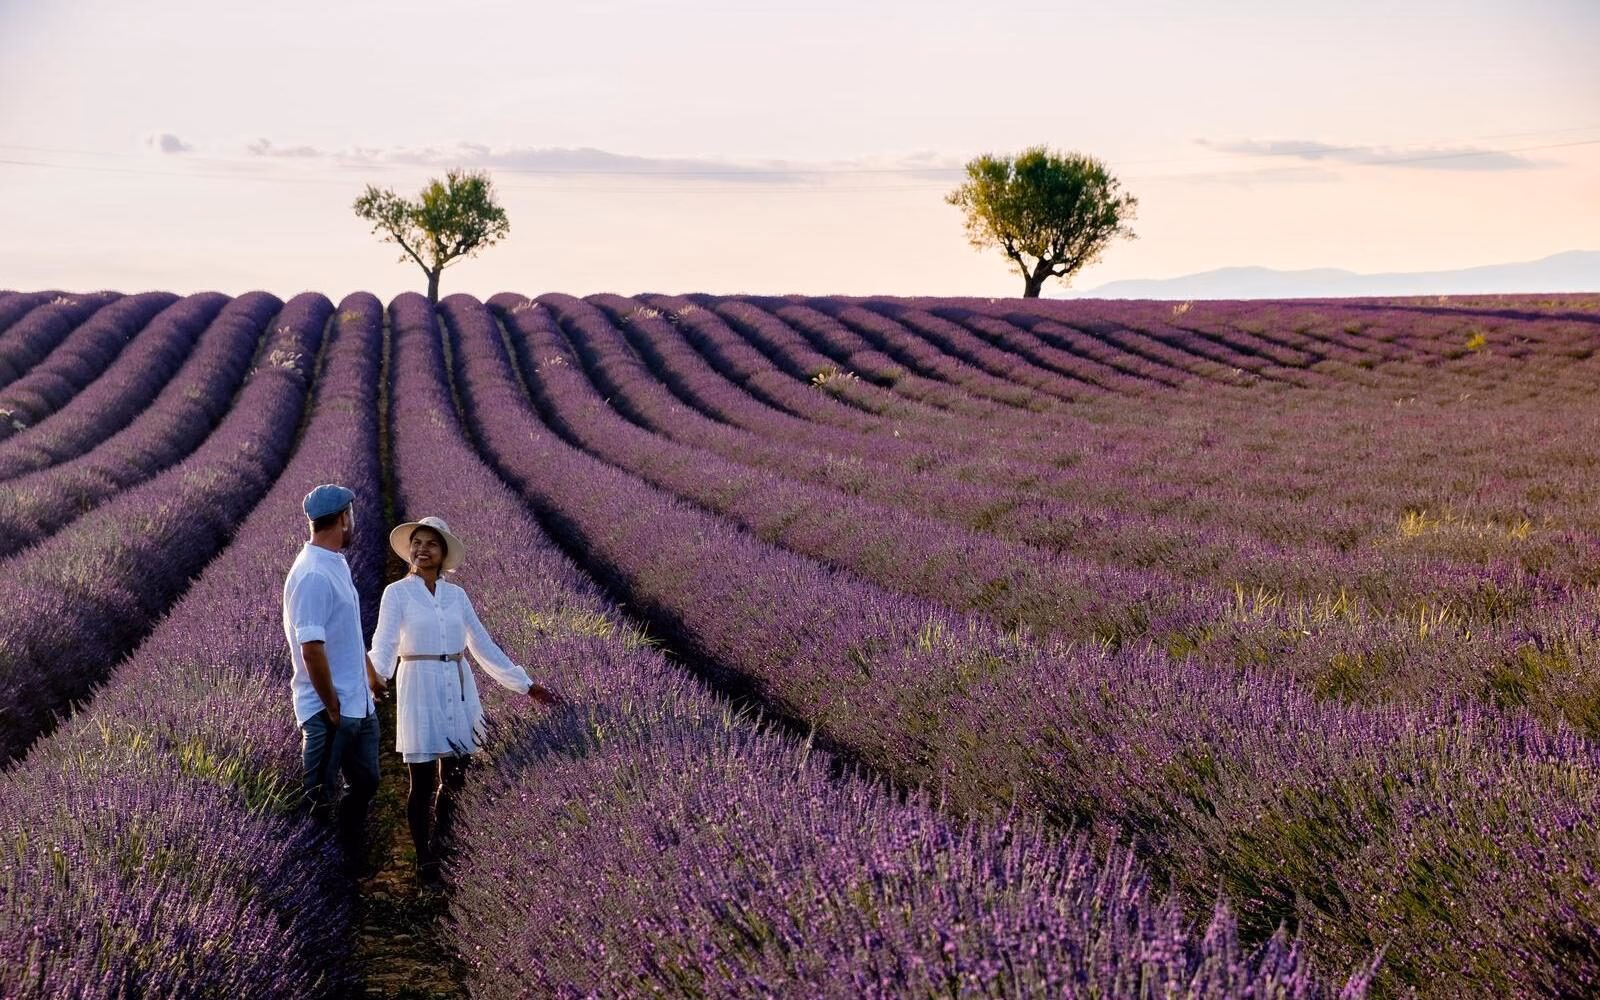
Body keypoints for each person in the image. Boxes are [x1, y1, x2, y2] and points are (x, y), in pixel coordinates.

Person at [367, 515, 560, 892]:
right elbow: (385, 642)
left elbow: (482, 645)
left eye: (431, 544)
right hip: (419, 684)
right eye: (417, 543)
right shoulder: (397, 593)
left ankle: (444, 844)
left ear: (443, 554)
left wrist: (526, 685)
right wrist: (373, 680)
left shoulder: (457, 596)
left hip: (457, 683)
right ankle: (424, 861)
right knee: (421, 781)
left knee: (456, 776)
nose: (422, 549)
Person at [283, 483, 384, 876]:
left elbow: (348, 632)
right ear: (343, 519)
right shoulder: (310, 575)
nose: (353, 522)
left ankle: (346, 854)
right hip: (329, 711)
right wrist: (332, 706)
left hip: (358, 702)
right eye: (352, 516)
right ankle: (322, 872)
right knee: (319, 798)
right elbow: (312, 650)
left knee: (368, 781)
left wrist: (369, 676)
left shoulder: (335, 562)